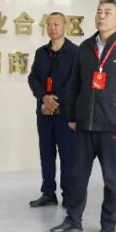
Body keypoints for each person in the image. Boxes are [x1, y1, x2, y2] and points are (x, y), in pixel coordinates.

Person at [50, 0, 116, 232]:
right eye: (99, 12)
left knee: (111, 179)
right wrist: (72, 115)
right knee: (77, 176)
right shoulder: (85, 48)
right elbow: (74, 85)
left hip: (112, 127)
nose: (101, 16)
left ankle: (108, 225)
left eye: (107, 13)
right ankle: (73, 220)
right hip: (84, 125)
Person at [27, 12, 78, 207]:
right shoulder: (41, 52)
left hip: (66, 114)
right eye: (49, 24)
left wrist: (55, 101)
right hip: (44, 112)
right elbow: (33, 78)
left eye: (56, 24)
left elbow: (76, 81)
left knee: (68, 155)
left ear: (65, 26)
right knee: (46, 153)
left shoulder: (75, 52)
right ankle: (48, 193)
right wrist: (44, 98)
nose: (52, 28)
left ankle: (69, 194)